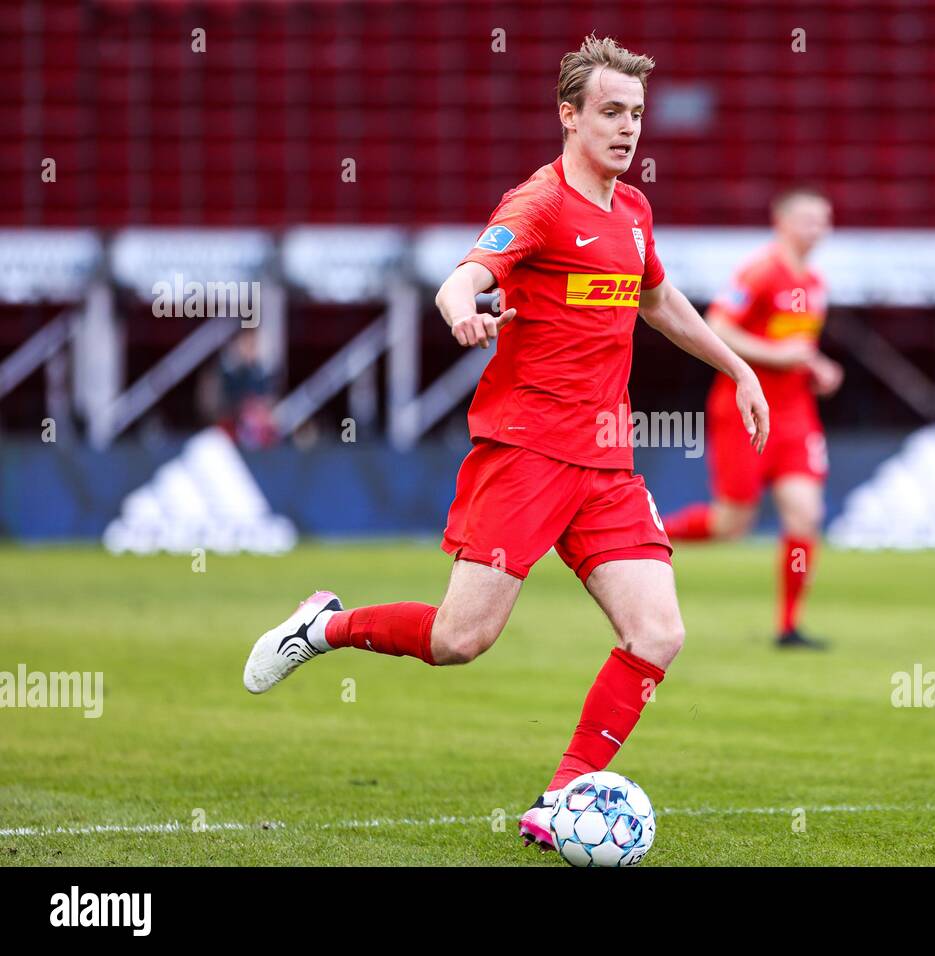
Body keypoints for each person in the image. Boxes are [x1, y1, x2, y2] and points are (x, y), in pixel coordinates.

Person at [241, 34, 770, 853]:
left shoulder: (633, 213)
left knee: (659, 633)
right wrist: (462, 307)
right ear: (569, 116)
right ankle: (326, 625)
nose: (627, 130)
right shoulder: (538, 203)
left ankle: (559, 802)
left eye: (636, 114)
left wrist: (738, 367)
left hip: (607, 462)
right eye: (610, 113)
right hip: (523, 453)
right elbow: (469, 272)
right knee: (460, 641)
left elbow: (659, 303)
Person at [661, 188, 842, 648]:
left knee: (805, 515)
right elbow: (716, 326)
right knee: (731, 526)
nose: (815, 229)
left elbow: (796, 345)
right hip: (745, 410)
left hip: (797, 415)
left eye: (823, 220)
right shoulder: (760, 273)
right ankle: (647, 534)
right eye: (806, 219)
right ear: (781, 222)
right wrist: (778, 355)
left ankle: (788, 626)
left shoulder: (815, 283)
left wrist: (815, 366)